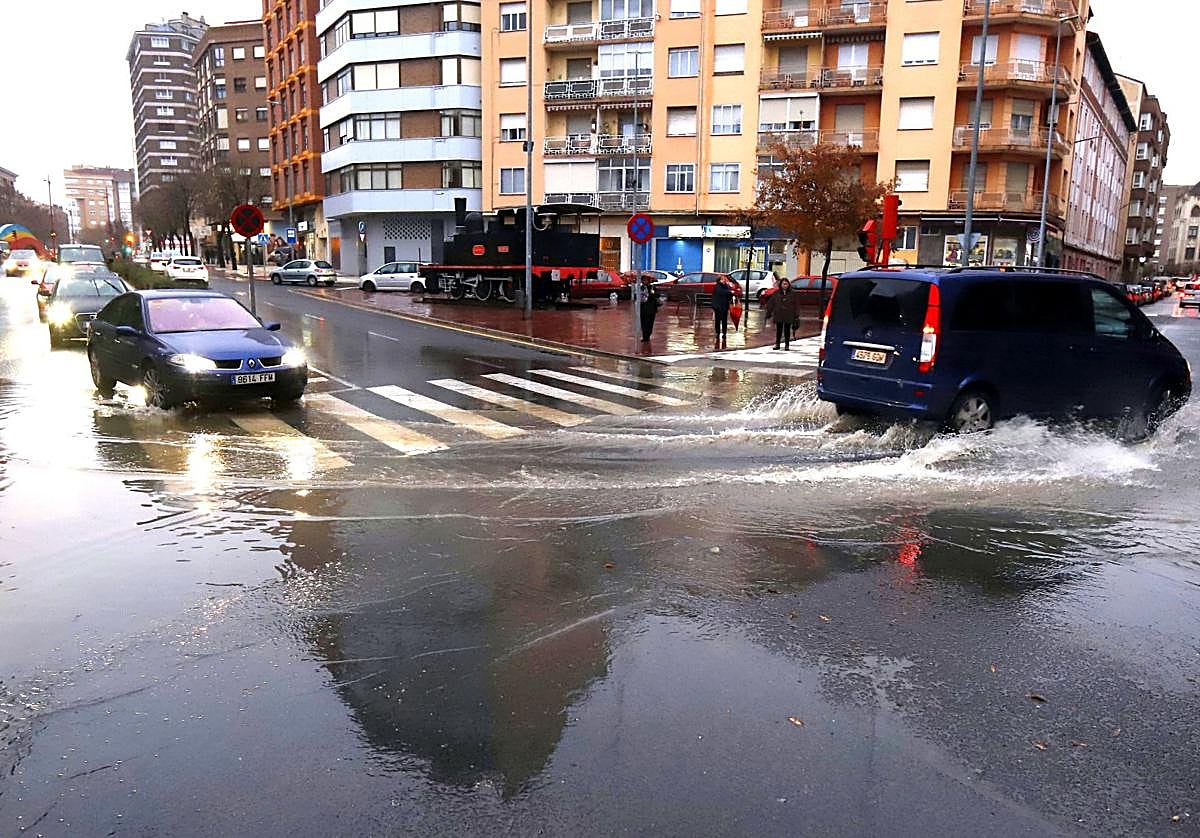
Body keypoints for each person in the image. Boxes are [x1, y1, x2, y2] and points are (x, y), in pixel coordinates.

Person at [764, 277, 798, 350]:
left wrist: (796, 315)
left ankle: (787, 345)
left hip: (788, 315)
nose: (785, 286)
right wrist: (768, 313)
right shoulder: (776, 293)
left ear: (788, 285)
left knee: (787, 330)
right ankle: (777, 344)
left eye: (786, 284)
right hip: (779, 314)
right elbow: (771, 303)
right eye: (783, 284)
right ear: (781, 285)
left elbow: (796, 305)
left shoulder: (793, 293)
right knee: (779, 330)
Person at [711, 274, 735, 347]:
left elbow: (728, 295)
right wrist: (730, 292)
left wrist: (731, 292)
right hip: (718, 306)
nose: (724, 280)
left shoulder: (726, 286)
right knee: (718, 320)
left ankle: (724, 333)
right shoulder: (718, 286)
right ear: (719, 280)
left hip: (724, 306)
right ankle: (718, 333)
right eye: (723, 279)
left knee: (724, 320)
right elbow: (721, 292)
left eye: (724, 279)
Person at [638, 275, 661, 343]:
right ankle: (645, 336)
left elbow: (657, 295)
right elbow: (638, 296)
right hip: (643, 308)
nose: (644, 281)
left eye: (646, 280)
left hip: (651, 308)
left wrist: (651, 294)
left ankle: (647, 335)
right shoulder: (641, 288)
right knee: (643, 323)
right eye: (643, 280)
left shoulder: (652, 287)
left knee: (649, 323)